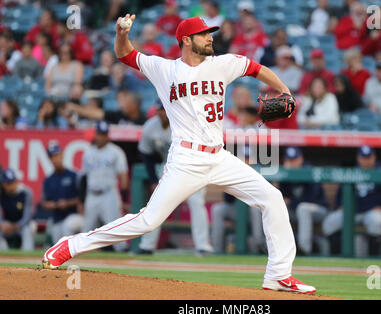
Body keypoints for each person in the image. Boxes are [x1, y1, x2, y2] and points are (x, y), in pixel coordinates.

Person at [43, 14, 316, 294]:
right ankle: (72, 245)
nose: (210, 37)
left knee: (272, 198)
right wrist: (122, 33)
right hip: (185, 159)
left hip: (219, 157)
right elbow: (125, 55)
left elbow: (255, 67)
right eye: (204, 34)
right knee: (148, 220)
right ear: (187, 40)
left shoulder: (223, 64)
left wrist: (284, 89)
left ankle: (279, 275)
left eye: (210, 33)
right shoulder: (164, 69)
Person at [137, 101, 213, 255]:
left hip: (193, 164)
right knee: (158, 203)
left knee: (196, 202)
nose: (162, 113)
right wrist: (153, 180)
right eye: (159, 110)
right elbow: (146, 154)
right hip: (169, 166)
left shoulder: (184, 122)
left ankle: (203, 246)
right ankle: (147, 245)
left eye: (164, 109)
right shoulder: (150, 127)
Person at [322, 145, 381, 256]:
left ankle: (372, 258)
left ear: (374, 157)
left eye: (368, 158)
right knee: (330, 222)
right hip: (352, 212)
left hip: (371, 212)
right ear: (358, 158)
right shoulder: (352, 173)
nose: (365, 161)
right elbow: (340, 195)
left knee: (376, 220)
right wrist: (340, 206)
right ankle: (338, 258)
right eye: (363, 158)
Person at [79, 121, 128, 252]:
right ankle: (83, 255)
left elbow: (123, 176)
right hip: (92, 195)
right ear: (96, 135)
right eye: (99, 134)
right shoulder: (88, 152)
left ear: (108, 135)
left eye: (104, 134)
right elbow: (83, 177)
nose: (101, 137)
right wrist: (81, 200)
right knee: (87, 229)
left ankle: (122, 253)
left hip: (109, 194)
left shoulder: (115, 151)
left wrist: (123, 197)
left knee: (115, 228)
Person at [211, 144, 266, 254]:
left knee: (255, 210)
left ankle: (258, 246)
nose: (246, 161)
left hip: (254, 210)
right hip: (235, 208)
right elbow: (227, 199)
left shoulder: (260, 171)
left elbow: (263, 197)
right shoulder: (233, 170)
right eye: (243, 158)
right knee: (217, 209)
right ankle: (217, 249)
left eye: (248, 158)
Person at [277, 147, 329, 255]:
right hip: (296, 210)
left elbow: (310, 199)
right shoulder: (285, 173)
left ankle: (304, 249)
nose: (291, 163)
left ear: (300, 159)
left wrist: (291, 201)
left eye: (294, 160)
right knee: (276, 207)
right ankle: (275, 248)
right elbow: (283, 196)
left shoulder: (309, 171)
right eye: (289, 160)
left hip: (318, 209)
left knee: (303, 208)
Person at [41, 144, 84, 244]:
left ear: (62, 156)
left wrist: (67, 203)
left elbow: (82, 198)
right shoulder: (49, 180)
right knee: (58, 244)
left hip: (75, 216)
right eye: (52, 157)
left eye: (57, 155)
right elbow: (44, 203)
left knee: (67, 226)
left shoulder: (74, 175)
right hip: (57, 219)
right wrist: (56, 205)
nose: (55, 159)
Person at [66, 89, 147, 125]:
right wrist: (75, 108)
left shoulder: (144, 121)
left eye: (126, 102)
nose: (122, 105)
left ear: (135, 105)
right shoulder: (119, 115)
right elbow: (97, 113)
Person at [0, 169, 34, 251]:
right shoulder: (1, 193)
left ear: (16, 181)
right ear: (3, 184)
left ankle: (27, 256)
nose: (10, 185)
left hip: (21, 225)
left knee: (28, 230)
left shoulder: (26, 192)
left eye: (12, 182)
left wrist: (15, 226)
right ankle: (3, 257)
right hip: (7, 225)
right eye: (7, 183)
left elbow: (27, 217)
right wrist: (3, 224)